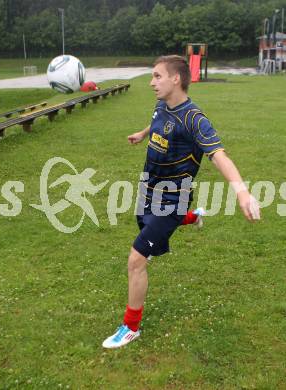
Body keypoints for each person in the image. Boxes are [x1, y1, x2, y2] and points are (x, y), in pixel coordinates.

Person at [102, 55, 260, 349]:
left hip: (172, 199)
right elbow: (157, 123)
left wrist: (242, 192)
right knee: (149, 227)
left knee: (136, 261)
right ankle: (193, 217)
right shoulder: (162, 104)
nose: (152, 83)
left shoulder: (195, 119)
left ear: (176, 79)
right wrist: (142, 133)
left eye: (157, 76)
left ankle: (130, 327)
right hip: (149, 190)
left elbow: (220, 156)